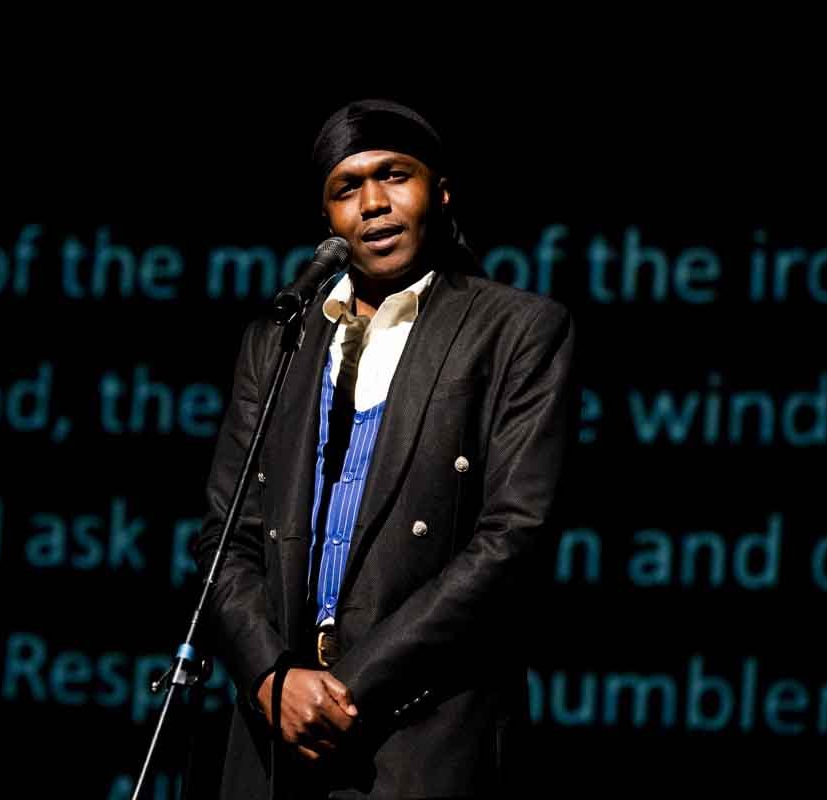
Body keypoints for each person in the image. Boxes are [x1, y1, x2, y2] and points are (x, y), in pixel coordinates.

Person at [192, 98, 576, 799]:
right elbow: (226, 537)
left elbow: (513, 537)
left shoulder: (515, 330)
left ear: (441, 190)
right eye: (346, 188)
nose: (372, 203)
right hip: (272, 741)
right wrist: (271, 678)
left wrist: (344, 690)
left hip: (419, 736)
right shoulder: (282, 337)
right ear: (326, 218)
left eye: (395, 176)